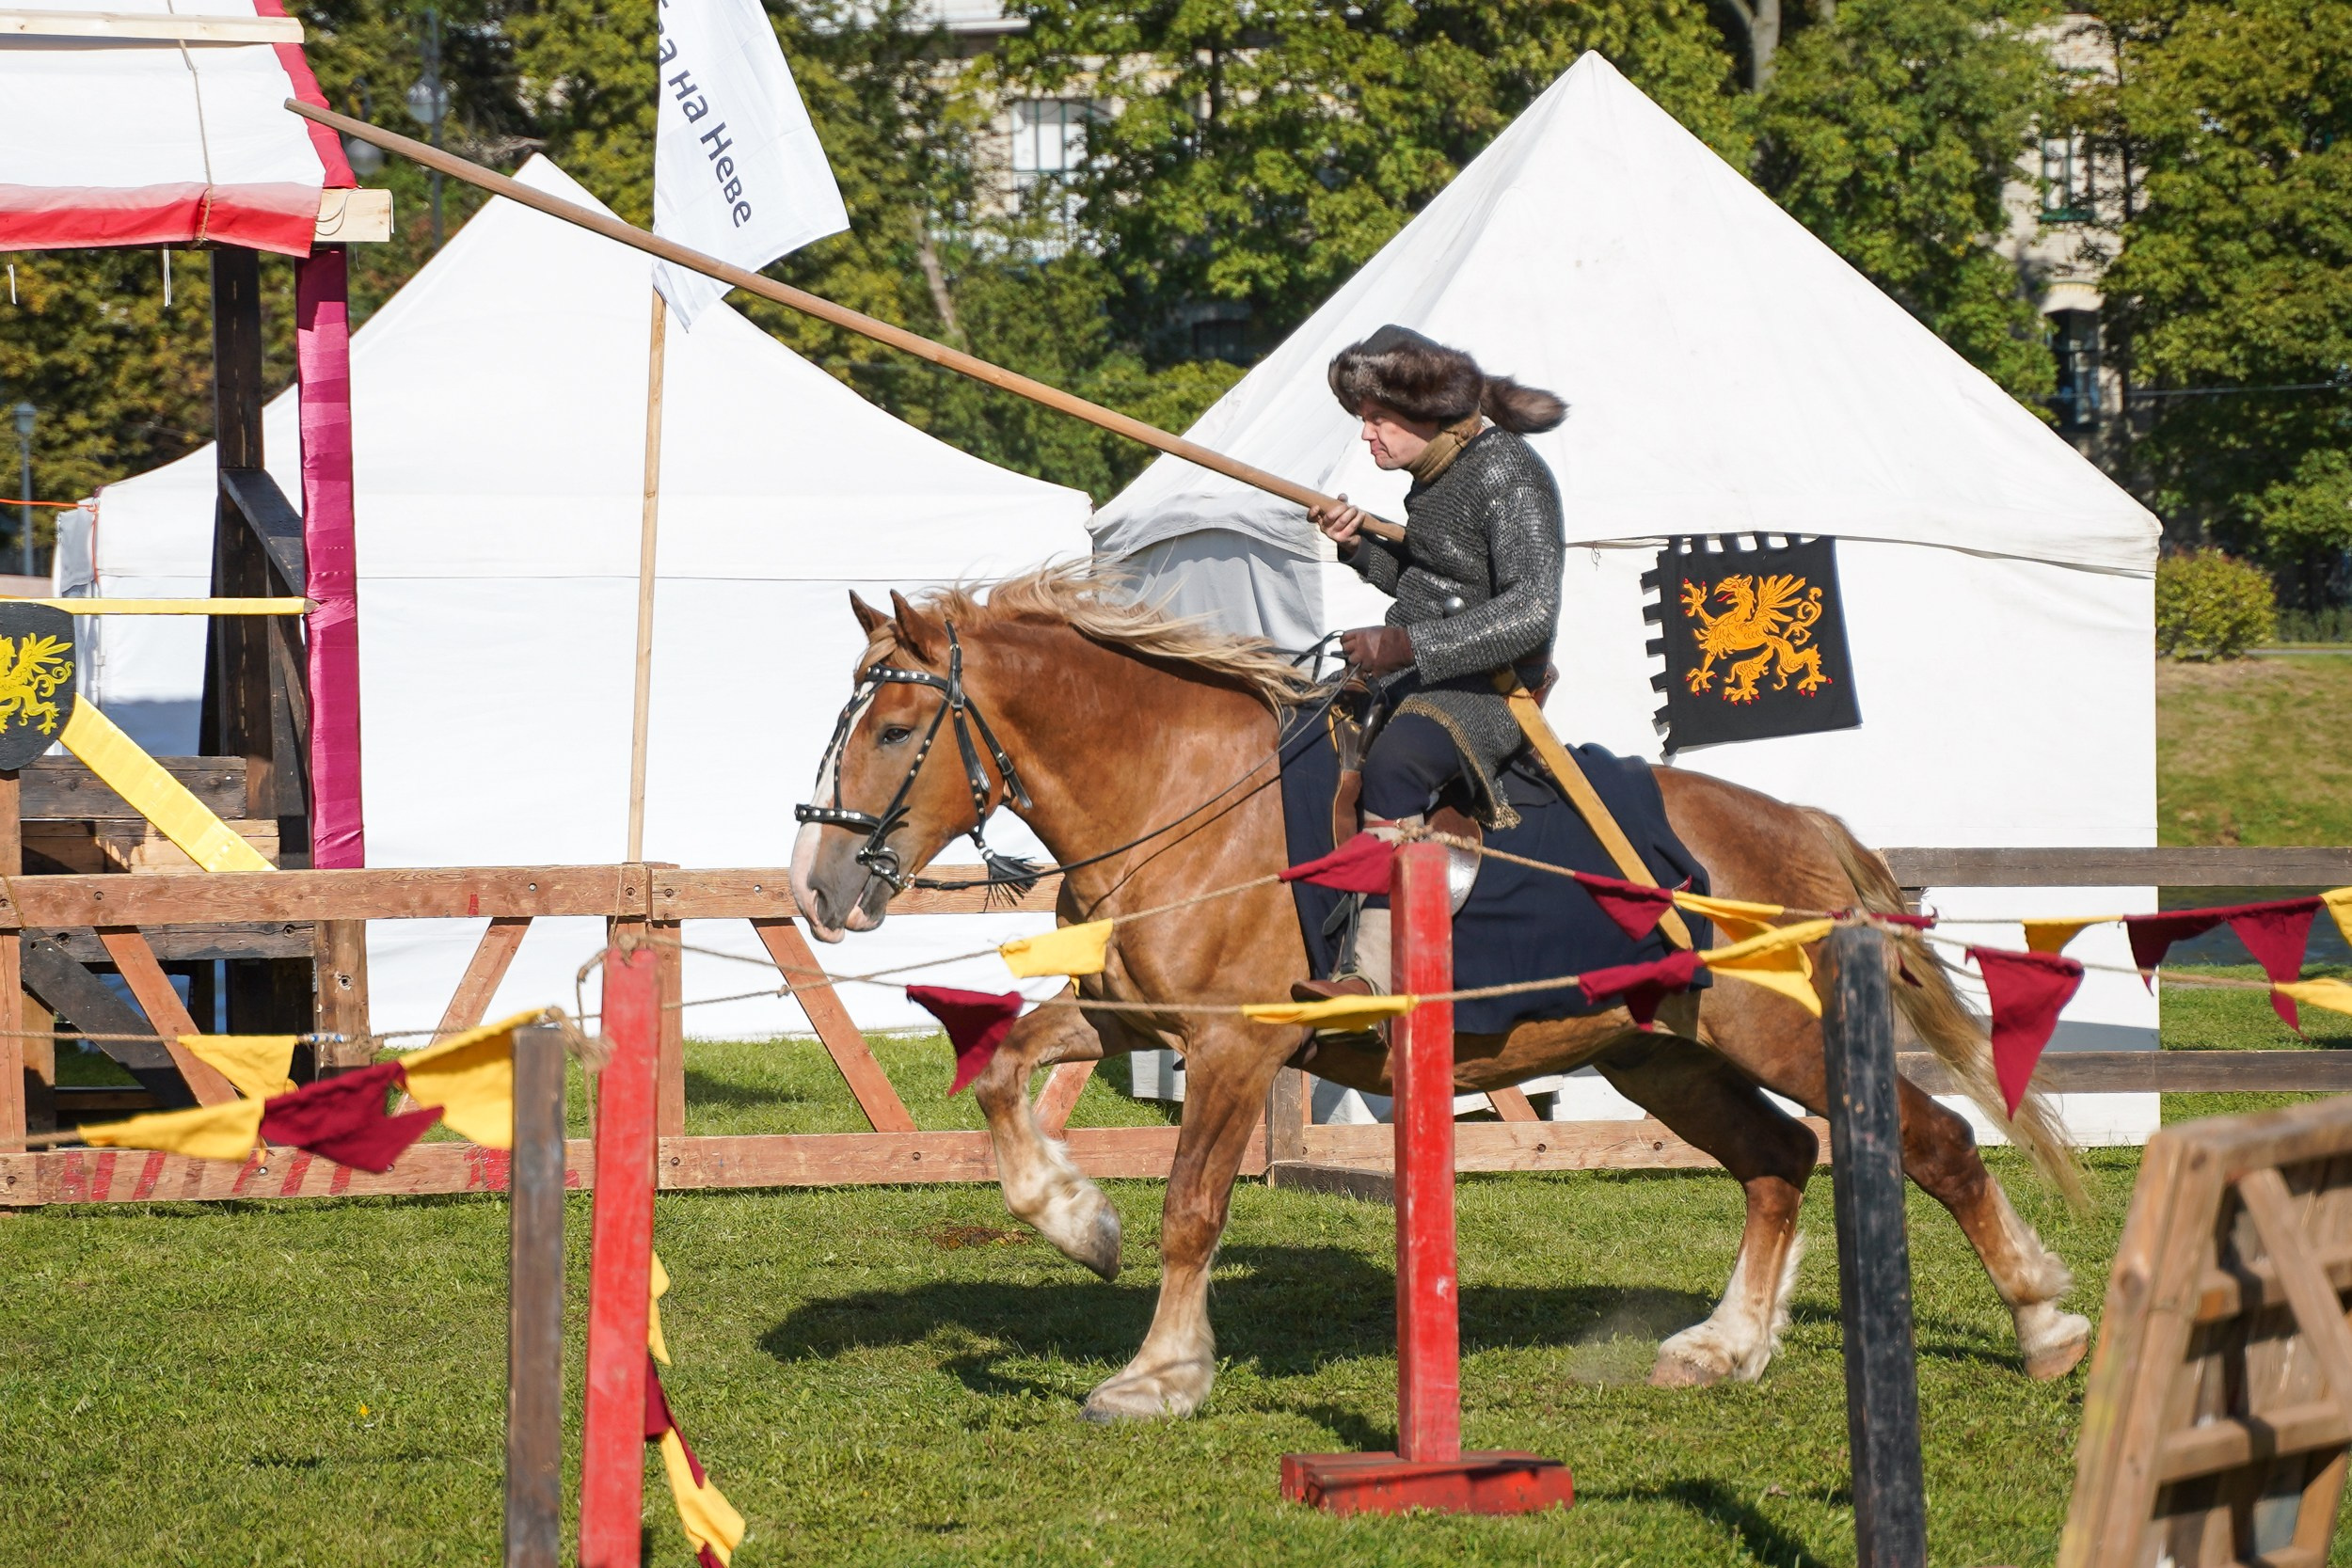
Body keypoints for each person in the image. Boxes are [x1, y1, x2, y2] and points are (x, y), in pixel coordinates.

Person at [1297, 325, 1568, 1001]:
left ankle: (1375, 974)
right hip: (1426, 670)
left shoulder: (1507, 471)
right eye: (1364, 420)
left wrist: (1405, 645)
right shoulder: (1434, 474)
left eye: (1377, 419)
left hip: (1492, 686)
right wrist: (1360, 548)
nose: (1367, 436)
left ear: (1428, 412)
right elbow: (1435, 586)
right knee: (1303, 736)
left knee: (1396, 766)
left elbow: (1531, 610)